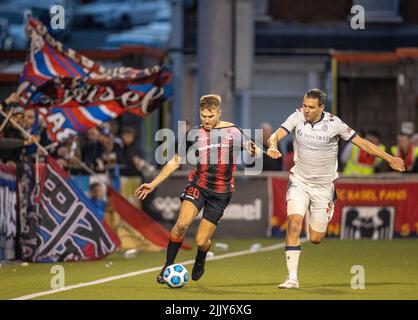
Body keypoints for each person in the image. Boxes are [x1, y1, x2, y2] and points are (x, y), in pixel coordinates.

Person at [267, 88, 405, 289]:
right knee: (294, 223)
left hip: (323, 187)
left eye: (311, 107)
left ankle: (330, 203)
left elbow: (363, 144)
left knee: (315, 238)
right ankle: (292, 278)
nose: (306, 110)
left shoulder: (335, 124)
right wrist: (272, 145)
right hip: (299, 181)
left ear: (321, 107)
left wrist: (390, 158)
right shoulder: (296, 117)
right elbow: (275, 136)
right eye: (305, 105)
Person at [134, 94, 261, 284]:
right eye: (203, 116)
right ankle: (168, 266)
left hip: (221, 192)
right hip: (198, 186)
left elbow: (255, 149)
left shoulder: (233, 131)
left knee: (202, 241)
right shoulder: (194, 134)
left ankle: (200, 258)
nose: (207, 120)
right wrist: (153, 183)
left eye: (210, 116)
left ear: (219, 113)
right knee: (181, 225)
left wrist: (252, 150)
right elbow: (175, 161)